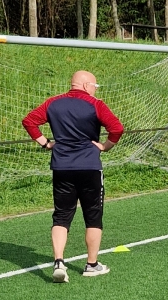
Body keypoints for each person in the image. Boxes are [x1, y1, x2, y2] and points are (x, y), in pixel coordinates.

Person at [23, 69, 124, 282]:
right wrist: (105, 146)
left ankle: (59, 262)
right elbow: (117, 128)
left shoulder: (53, 103)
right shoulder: (96, 104)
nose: (95, 90)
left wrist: (46, 143)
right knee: (93, 215)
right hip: (89, 166)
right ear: (86, 85)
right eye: (95, 86)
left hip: (62, 167)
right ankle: (92, 264)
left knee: (61, 215)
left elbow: (29, 121)